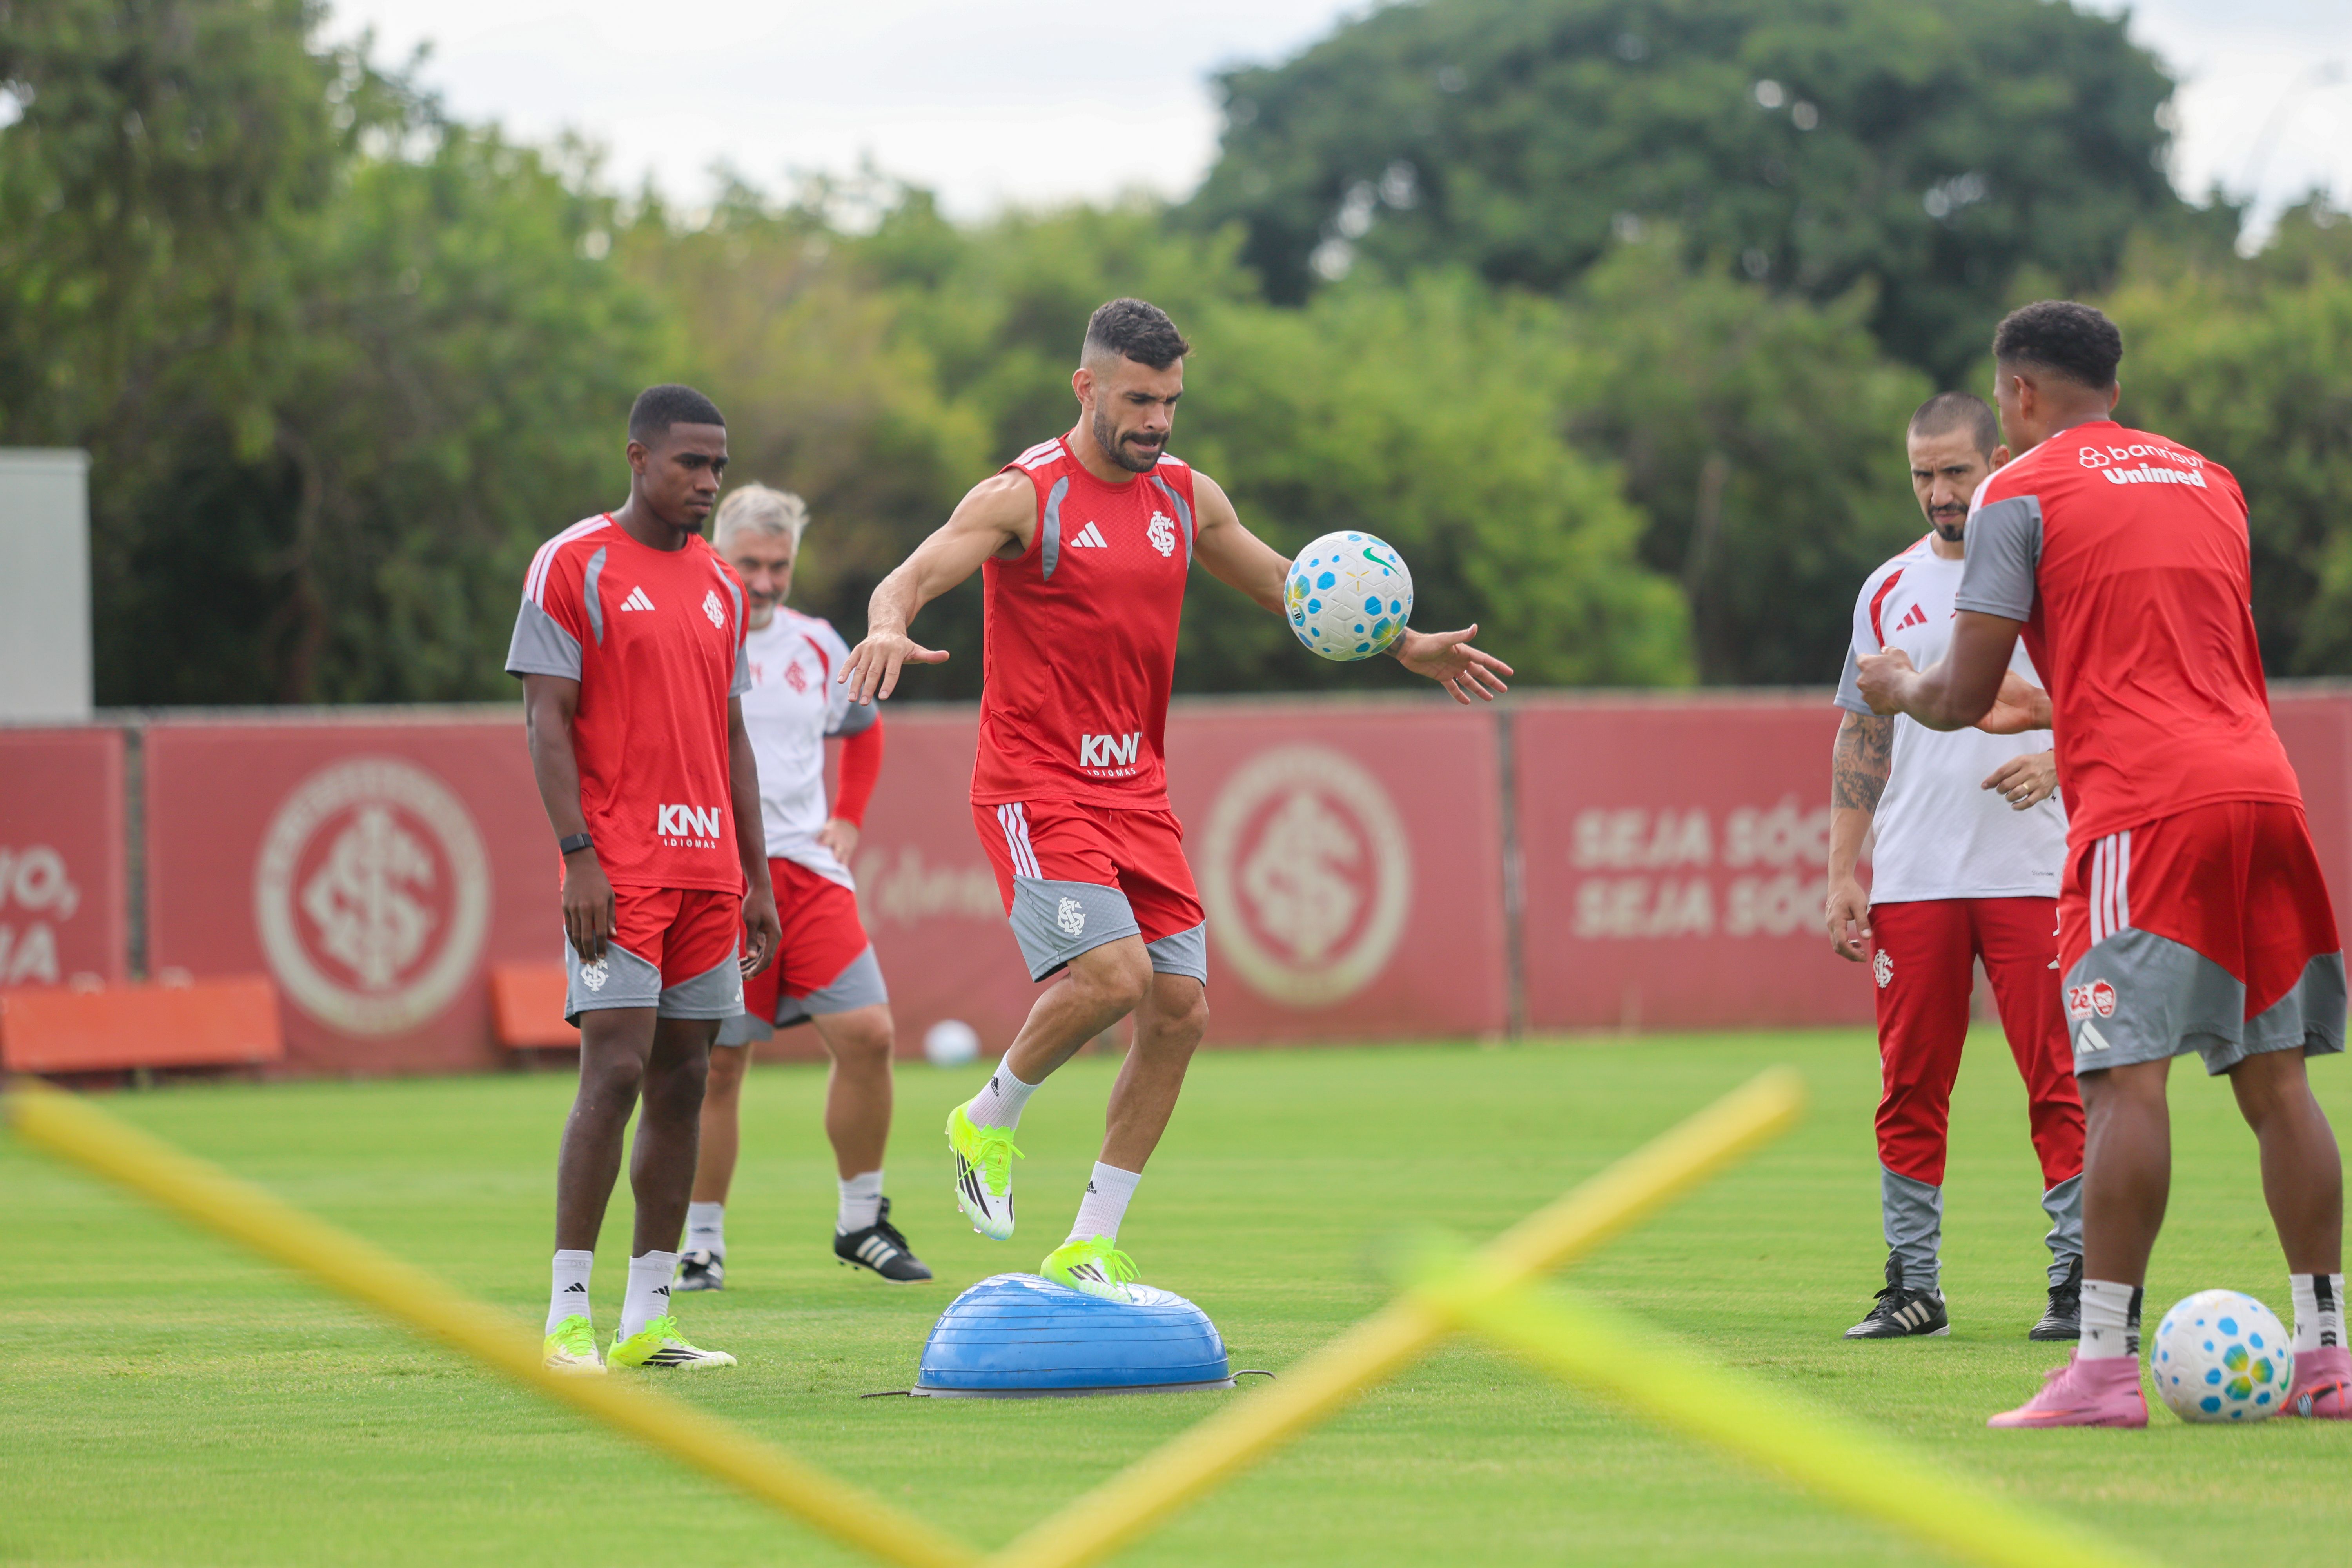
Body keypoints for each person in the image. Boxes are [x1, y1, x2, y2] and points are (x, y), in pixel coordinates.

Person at [838, 298, 1512, 1300]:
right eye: (1139, 400)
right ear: (1088, 387)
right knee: (1111, 977)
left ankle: (1092, 1241)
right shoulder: (1026, 496)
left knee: (1183, 1010)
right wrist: (888, 622)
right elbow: (916, 570)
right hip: (1035, 784)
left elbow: (1294, 587)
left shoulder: (1186, 499)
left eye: (1171, 402)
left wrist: (1402, 641)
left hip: (1136, 793)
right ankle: (989, 1115)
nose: (1157, 421)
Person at [1856, 301, 2348, 1426]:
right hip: (2265, 790)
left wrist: (1900, 691)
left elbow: (1963, 695)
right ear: (2112, 388)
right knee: (2279, 1083)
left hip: (2144, 810)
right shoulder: (2207, 479)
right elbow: (2166, 657)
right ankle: (2328, 1363)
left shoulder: (2015, 493)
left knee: (2126, 1080)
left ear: (2018, 398)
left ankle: (2105, 1370)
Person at [506, 384, 781, 1373]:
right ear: (637, 457)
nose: (707, 482)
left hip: (710, 872)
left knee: (684, 1080)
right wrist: (577, 852)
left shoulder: (720, 583)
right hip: (620, 869)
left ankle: (649, 1319)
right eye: (688, 464)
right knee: (615, 1069)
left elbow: (735, 735)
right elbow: (546, 718)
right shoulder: (572, 562)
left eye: (717, 465)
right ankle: (567, 1315)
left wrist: (756, 875)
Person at [1826, 391, 2085, 1342]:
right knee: (1909, 1085)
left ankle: (2079, 1279)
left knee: (2060, 1076)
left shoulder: (2054, 580)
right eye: (1922, 476)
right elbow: (1861, 733)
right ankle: (1913, 1285)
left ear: (2001, 459)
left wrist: (2060, 756)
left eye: (1955, 473)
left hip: (2034, 869)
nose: (1939, 494)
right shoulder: (1886, 588)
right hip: (1919, 877)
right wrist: (1844, 872)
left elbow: (2109, 701)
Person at [677, 483, 931, 1290]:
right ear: (717, 553)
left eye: (778, 565)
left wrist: (849, 817)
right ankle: (701, 1241)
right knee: (717, 1066)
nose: (764, 579)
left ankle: (861, 1219)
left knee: (870, 1033)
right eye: (748, 562)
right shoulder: (686, 635)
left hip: (807, 871)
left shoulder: (819, 643)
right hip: (717, 873)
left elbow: (861, 728)